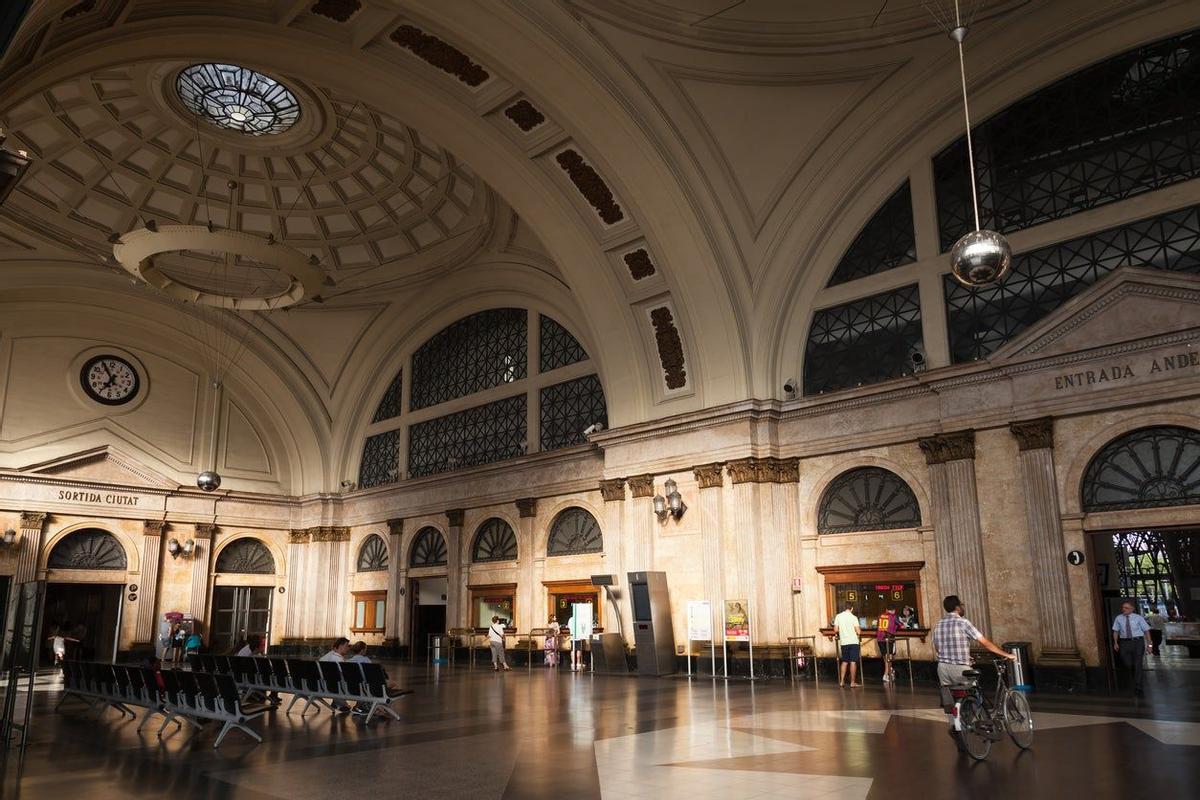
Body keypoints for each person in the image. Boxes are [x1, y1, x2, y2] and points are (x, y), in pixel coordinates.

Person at [933, 595, 1017, 752]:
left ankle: (955, 726)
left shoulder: (938, 624)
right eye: (962, 605)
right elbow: (984, 642)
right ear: (957, 607)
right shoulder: (963, 622)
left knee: (949, 700)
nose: (962, 608)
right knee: (973, 694)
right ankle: (974, 724)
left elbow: (938, 648)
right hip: (960, 668)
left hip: (942, 667)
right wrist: (1006, 655)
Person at [1111, 601, 1153, 695]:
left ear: (1132, 609)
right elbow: (1115, 631)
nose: (1123, 609)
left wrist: (1150, 645)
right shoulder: (1119, 618)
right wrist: (1115, 643)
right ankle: (1133, 670)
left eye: (1126, 608)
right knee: (1127, 662)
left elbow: (1146, 631)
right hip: (1124, 643)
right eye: (1123, 607)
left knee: (1138, 663)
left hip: (1138, 642)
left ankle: (1138, 686)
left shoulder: (1138, 618)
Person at [833, 602, 862, 687]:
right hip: (853, 642)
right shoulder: (854, 617)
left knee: (845, 661)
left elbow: (835, 630)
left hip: (844, 642)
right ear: (852, 608)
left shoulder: (838, 616)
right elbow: (858, 631)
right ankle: (852, 682)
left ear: (844, 608)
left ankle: (842, 682)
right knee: (853, 662)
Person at [320, 638, 353, 712]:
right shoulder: (338, 659)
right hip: (331, 686)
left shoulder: (330, 655)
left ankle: (338, 703)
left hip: (322, 684)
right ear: (341, 646)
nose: (348, 648)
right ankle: (341, 703)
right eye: (347, 646)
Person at [876, 605, 898, 683]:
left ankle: (890, 671)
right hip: (888, 638)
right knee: (889, 657)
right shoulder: (894, 617)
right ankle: (886, 675)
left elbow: (878, 625)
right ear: (894, 610)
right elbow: (901, 625)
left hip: (880, 638)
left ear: (886, 610)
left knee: (885, 658)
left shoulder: (880, 616)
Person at [567, 607, 589, 672]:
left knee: (572, 650)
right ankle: (578, 663)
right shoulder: (580, 619)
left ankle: (573, 663)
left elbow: (568, 627)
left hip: (572, 637)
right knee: (578, 649)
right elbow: (583, 627)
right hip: (578, 636)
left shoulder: (570, 619)